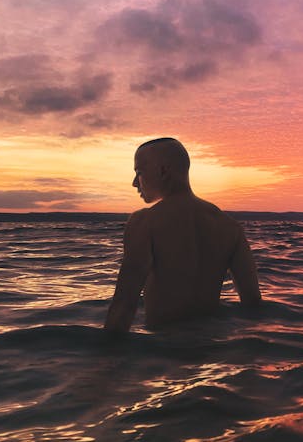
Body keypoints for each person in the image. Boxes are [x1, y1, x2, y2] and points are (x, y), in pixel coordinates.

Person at [104, 137, 261, 333]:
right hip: (209, 351)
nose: (134, 182)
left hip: (162, 352)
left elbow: (125, 303)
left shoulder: (145, 222)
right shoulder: (230, 227)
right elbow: (253, 302)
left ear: (163, 170)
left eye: (139, 172)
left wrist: (107, 358)